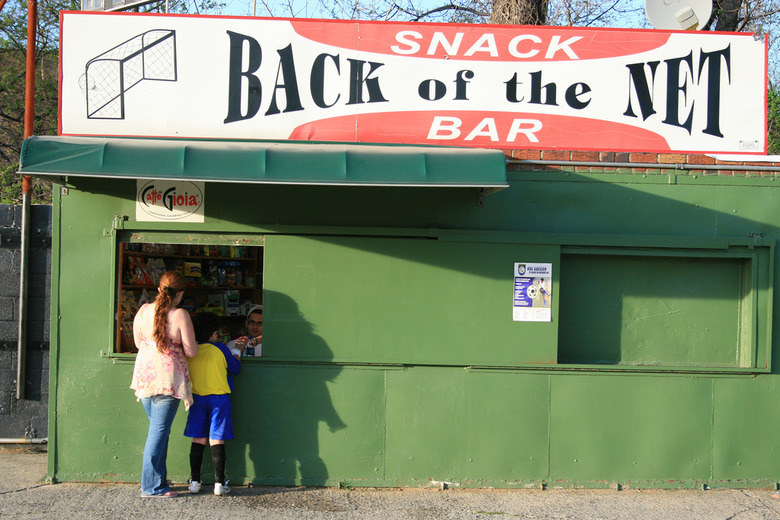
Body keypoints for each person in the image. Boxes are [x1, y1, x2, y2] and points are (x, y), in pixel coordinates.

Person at [130, 271, 198, 498]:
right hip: (168, 379)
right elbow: (191, 351)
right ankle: (151, 487)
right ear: (180, 294)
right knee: (158, 432)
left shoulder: (142, 311)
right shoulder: (180, 315)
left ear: (159, 289)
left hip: (145, 376)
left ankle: (158, 479)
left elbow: (138, 343)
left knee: (159, 432)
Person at [185, 312, 243, 496]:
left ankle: (194, 482)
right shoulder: (221, 349)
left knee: (198, 438)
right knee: (217, 438)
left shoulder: (191, 351)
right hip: (220, 399)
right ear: (215, 333)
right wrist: (237, 352)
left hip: (197, 398)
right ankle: (219, 483)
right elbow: (236, 369)